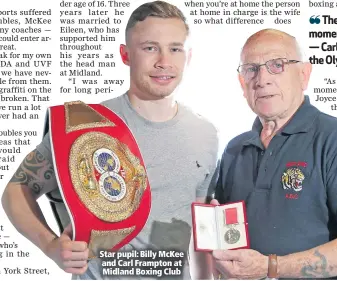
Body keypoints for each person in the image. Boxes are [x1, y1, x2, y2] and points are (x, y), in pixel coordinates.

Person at [2, 1, 217, 279]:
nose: (164, 61)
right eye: (150, 48)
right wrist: (52, 247)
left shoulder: (207, 134)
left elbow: (198, 227)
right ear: (126, 55)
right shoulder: (84, 124)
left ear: (188, 56)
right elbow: (16, 190)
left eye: (175, 48)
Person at [211, 29, 337, 279]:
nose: (262, 79)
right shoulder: (234, 149)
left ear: (304, 75)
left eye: (277, 65)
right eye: (251, 69)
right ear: (242, 82)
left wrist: (270, 267)